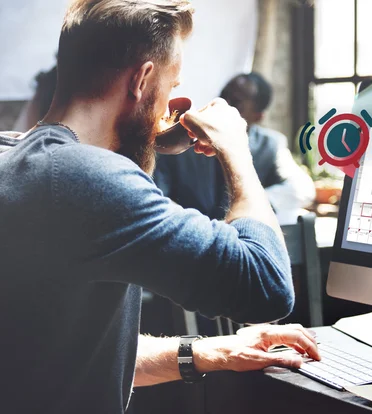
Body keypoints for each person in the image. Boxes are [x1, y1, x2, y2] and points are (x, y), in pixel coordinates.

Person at [0, 1, 319, 413]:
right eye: (171, 86)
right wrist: (237, 151)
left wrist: (214, 351)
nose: (168, 105)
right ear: (143, 79)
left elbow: (64, 354)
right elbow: (268, 286)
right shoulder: (87, 177)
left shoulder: (15, 156)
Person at [154, 72, 315, 223]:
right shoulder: (183, 139)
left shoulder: (270, 145)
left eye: (236, 102)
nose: (224, 104)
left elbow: (302, 189)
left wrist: (249, 204)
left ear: (258, 116)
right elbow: (157, 196)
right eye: (223, 95)